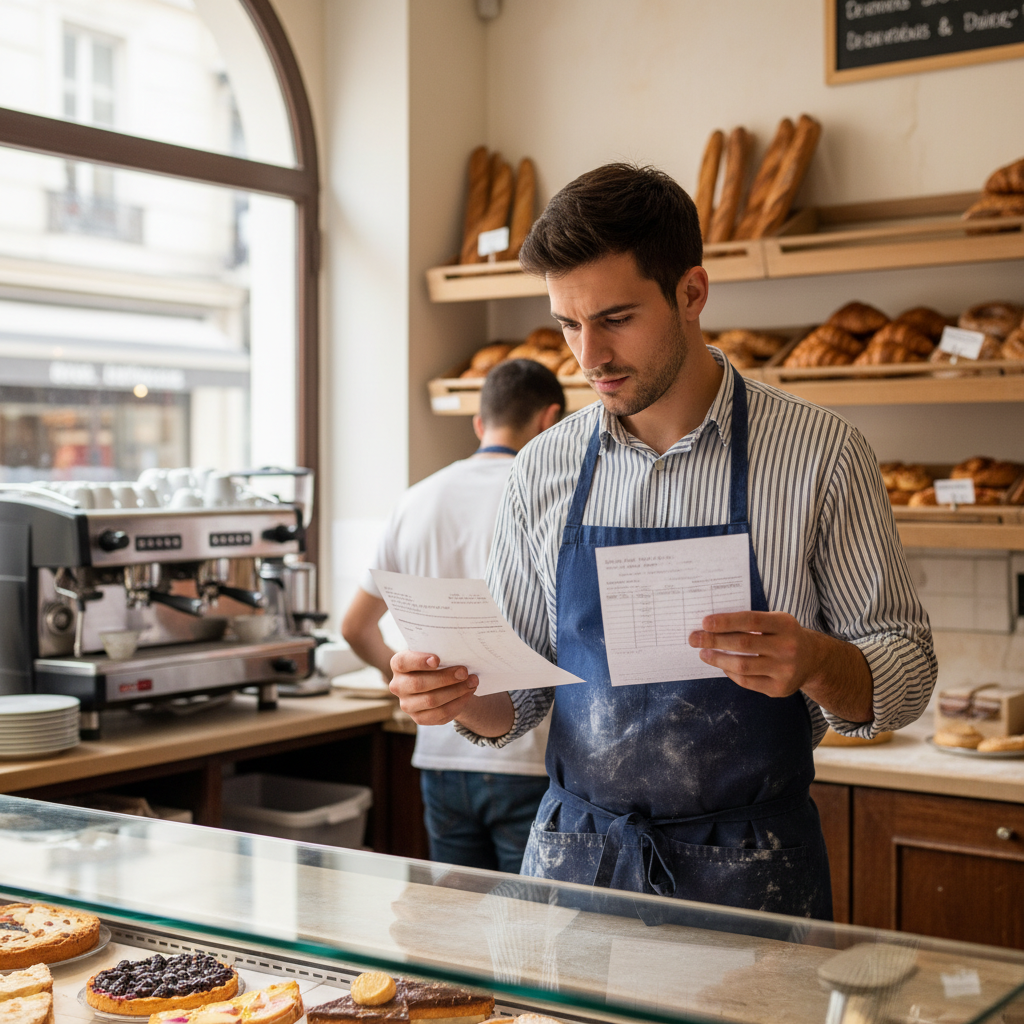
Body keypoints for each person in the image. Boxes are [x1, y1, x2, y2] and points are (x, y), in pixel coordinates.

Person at [387, 163, 937, 919]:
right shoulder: (542, 467)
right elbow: (516, 701)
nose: (589, 356)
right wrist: (453, 694)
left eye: (615, 318)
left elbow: (908, 669)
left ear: (692, 293)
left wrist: (817, 661)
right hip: (576, 867)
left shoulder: (820, 453)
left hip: (754, 873)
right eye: (568, 324)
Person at [342, 358, 565, 873]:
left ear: (480, 423)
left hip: (440, 753)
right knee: (527, 918)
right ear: (549, 419)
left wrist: (412, 685)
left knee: (459, 914)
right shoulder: (546, 498)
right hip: (528, 754)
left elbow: (354, 628)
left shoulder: (416, 499)